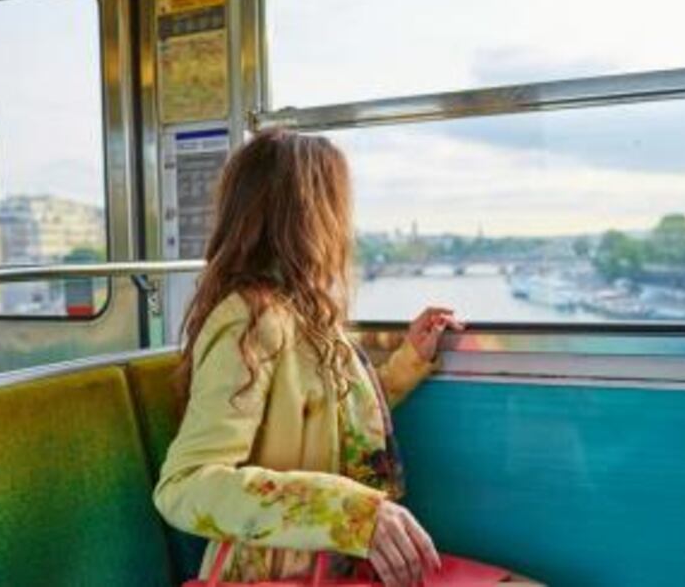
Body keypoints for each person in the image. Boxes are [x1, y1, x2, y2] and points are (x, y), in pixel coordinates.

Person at [153, 130, 464, 586]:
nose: (345, 229)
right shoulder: (249, 321)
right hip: (276, 574)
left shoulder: (310, 314)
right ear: (309, 217)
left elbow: (335, 417)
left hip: (338, 563)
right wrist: (349, 511)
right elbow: (184, 485)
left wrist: (410, 360)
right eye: (337, 208)